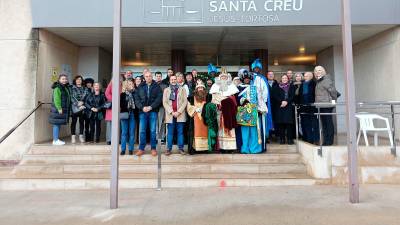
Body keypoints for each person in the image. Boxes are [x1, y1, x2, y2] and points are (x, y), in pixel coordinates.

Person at [237, 70, 267, 154]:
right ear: (242, 79)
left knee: (254, 131)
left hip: (254, 111)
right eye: (245, 78)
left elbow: (259, 99)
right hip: (243, 112)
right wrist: (243, 100)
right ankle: (245, 148)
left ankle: (254, 149)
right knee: (245, 131)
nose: (247, 80)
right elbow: (237, 99)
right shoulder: (238, 88)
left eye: (248, 78)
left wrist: (261, 109)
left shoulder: (255, 87)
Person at [209, 68, 239, 151]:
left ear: (227, 78)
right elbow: (213, 99)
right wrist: (220, 103)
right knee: (221, 128)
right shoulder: (215, 86)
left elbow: (234, 99)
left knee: (230, 128)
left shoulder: (232, 86)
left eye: (225, 77)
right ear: (219, 78)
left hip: (229, 112)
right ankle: (222, 147)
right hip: (220, 110)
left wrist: (226, 101)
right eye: (222, 77)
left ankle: (231, 147)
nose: (223, 79)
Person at [134, 71, 163, 156]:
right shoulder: (140, 86)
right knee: (142, 131)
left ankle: (153, 148)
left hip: (153, 111)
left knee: (153, 131)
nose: (148, 77)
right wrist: (142, 107)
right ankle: (141, 149)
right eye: (146, 76)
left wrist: (151, 107)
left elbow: (159, 98)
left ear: (152, 77)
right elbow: (137, 99)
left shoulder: (156, 86)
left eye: (150, 76)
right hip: (142, 112)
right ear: (144, 77)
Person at [251, 59, 273, 151]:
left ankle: (262, 144)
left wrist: (262, 103)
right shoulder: (250, 77)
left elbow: (265, 92)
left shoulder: (262, 78)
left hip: (260, 105)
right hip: (250, 106)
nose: (256, 69)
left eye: (257, 68)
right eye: (255, 68)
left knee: (261, 125)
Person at [163, 74, 188, 155]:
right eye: (172, 79)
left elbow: (185, 101)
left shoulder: (182, 89)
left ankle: (181, 148)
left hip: (180, 114)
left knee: (180, 132)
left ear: (177, 80)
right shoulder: (166, 90)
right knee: (170, 133)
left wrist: (179, 112)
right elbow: (164, 102)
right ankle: (168, 149)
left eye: (174, 79)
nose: (173, 81)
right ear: (169, 81)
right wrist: (172, 112)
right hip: (170, 115)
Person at [314, 65, 338, 146]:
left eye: (320, 70)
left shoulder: (326, 80)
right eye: (316, 71)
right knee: (324, 124)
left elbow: (333, 92)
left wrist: (333, 102)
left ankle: (329, 141)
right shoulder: (319, 81)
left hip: (327, 105)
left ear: (323, 71)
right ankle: (325, 141)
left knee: (328, 123)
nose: (318, 72)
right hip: (321, 105)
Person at [272, 74, 295, 145]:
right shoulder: (276, 87)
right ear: (281, 79)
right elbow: (275, 96)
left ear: (288, 79)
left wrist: (287, 101)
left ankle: (289, 139)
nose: (284, 79)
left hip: (288, 107)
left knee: (289, 124)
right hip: (280, 107)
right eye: (283, 78)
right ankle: (282, 139)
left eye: (286, 78)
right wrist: (281, 101)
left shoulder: (291, 86)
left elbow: (292, 95)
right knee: (281, 124)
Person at [187, 82, 209, 154]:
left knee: (206, 133)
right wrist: (195, 109)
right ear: (196, 89)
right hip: (195, 118)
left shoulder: (208, 97)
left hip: (205, 119)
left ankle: (205, 149)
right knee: (194, 133)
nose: (200, 89)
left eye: (202, 88)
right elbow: (188, 106)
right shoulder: (191, 98)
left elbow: (211, 107)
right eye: (199, 88)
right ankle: (195, 148)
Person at [298, 72, 320, 144]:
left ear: (311, 76)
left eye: (307, 76)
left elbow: (316, 95)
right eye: (304, 76)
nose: (305, 77)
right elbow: (300, 95)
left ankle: (316, 139)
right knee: (305, 123)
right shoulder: (302, 84)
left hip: (312, 107)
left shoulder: (314, 84)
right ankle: (307, 138)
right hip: (303, 107)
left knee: (314, 124)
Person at [49, 74, 71, 146]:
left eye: (65, 79)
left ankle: (56, 139)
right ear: (59, 80)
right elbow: (56, 99)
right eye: (63, 79)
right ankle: (55, 140)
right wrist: (59, 108)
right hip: (58, 109)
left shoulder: (65, 87)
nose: (64, 80)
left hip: (62, 109)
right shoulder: (57, 88)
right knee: (56, 124)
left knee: (58, 124)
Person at [70, 75, 89, 143]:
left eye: (80, 79)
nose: (79, 81)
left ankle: (81, 136)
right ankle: (73, 137)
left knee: (81, 122)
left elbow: (87, 97)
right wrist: (77, 104)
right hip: (74, 108)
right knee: (74, 122)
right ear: (75, 80)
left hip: (83, 107)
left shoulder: (85, 88)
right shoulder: (71, 88)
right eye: (77, 79)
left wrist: (82, 102)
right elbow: (71, 97)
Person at [120, 79, 136, 155]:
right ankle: (123, 149)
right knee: (124, 133)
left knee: (132, 132)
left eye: (132, 84)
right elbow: (121, 105)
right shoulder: (122, 94)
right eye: (130, 84)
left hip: (132, 114)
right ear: (126, 85)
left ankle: (131, 149)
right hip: (125, 114)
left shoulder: (135, 93)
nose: (132, 85)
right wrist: (127, 105)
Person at [155, 71, 168, 145]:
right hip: (153, 107)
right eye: (157, 76)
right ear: (155, 77)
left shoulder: (165, 85)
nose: (158, 77)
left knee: (161, 122)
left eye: (160, 76)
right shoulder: (153, 85)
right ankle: (156, 138)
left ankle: (161, 138)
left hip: (162, 106)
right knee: (155, 123)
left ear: (161, 77)